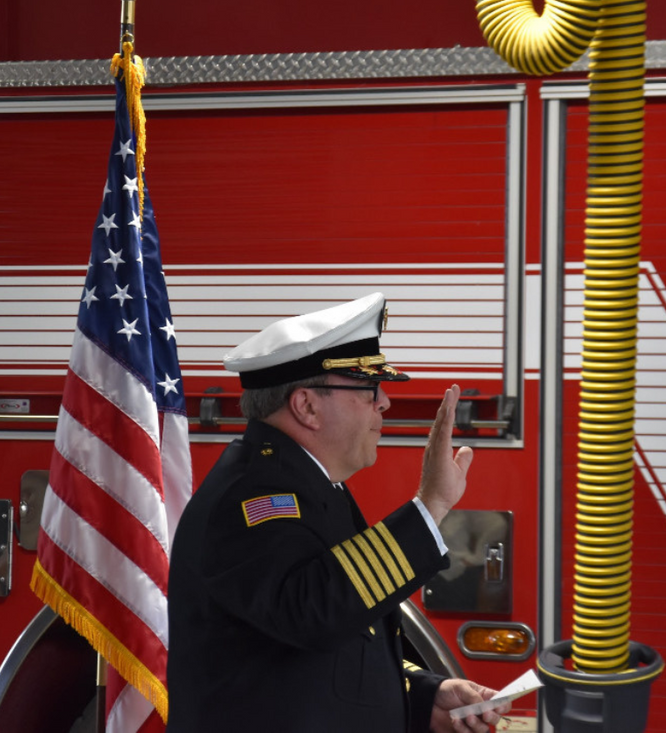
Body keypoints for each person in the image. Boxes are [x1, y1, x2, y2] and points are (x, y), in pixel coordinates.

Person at [166, 292, 509, 732]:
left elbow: (334, 641)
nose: (383, 402)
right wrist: (432, 504)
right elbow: (313, 612)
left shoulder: (307, 483)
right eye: (368, 388)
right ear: (307, 405)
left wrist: (423, 697)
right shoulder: (252, 499)